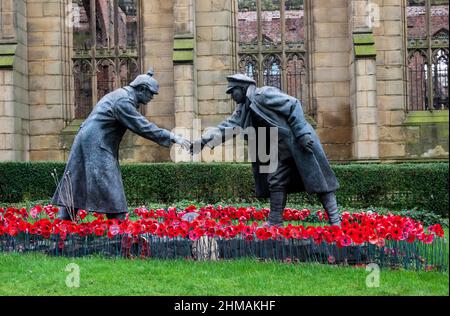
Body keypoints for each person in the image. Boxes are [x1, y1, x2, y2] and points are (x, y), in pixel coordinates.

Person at [191, 74, 341, 227]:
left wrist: (302, 132)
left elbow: (293, 104)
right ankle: (275, 221)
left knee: (320, 181)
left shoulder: (263, 95)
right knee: (275, 181)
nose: (232, 97)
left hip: (297, 142)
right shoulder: (243, 109)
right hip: (277, 150)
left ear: (242, 88)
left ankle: (335, 221)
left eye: (233, 91)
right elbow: (226, 128)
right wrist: (202, 142)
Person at [53, 69, 191, 221]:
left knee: (76, 181)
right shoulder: (123, 101)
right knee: (111, 186)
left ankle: (62, 226)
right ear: (142, 89)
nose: (152, 97)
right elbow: (142, 126)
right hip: (96, 144)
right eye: (151, 93)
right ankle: (119, 227)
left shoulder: (121, 96)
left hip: (88, 140)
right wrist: (172, 136)